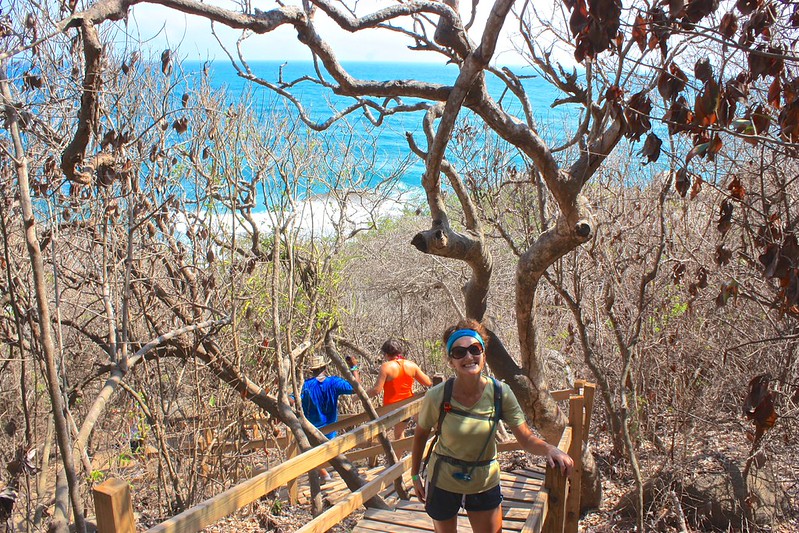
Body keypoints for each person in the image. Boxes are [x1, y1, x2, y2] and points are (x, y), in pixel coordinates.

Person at [410, 319, 574, 533]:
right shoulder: (438, 395)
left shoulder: (500, 393)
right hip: (443, 480)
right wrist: (415, 476)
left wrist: (549, 449)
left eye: (474, 349)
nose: (468, 357)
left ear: (484, 354)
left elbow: (525, 437)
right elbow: (420, 435)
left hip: (483, 480)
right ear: (451, 361)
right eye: (459, 352)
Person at [301, 353, 360, 482]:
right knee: (331, 450)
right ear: (325, 367)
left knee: (314, 453)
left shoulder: (304, 386)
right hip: (331, 426)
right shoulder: (334, 382)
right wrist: (354, 368)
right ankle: (343, 471)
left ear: (311, 370)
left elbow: (291, 399)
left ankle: (324, 474)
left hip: (312, 428)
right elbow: (355, 388)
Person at [367, 339, 434, 439]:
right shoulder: (411, 365)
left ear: (385, 354)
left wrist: (358, 397)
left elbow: (376, 390)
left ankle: (392, 454)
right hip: (408, 406)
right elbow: (428, 382)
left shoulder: (386, 367)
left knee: (381, 435)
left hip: (390, 409)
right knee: (399, 434)